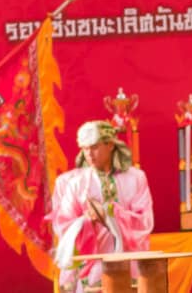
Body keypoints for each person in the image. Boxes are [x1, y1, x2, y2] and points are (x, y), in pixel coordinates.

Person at [50, 121, 154, 293]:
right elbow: (63, 225)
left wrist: (112, 215)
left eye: (95, 147)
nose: (89, 154)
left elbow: (145, 221)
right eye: (84, 148)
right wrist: (86, 220)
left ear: (110, 145)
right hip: (92, 267)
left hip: (129, 263)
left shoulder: (136, 178)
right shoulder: (76, 184)